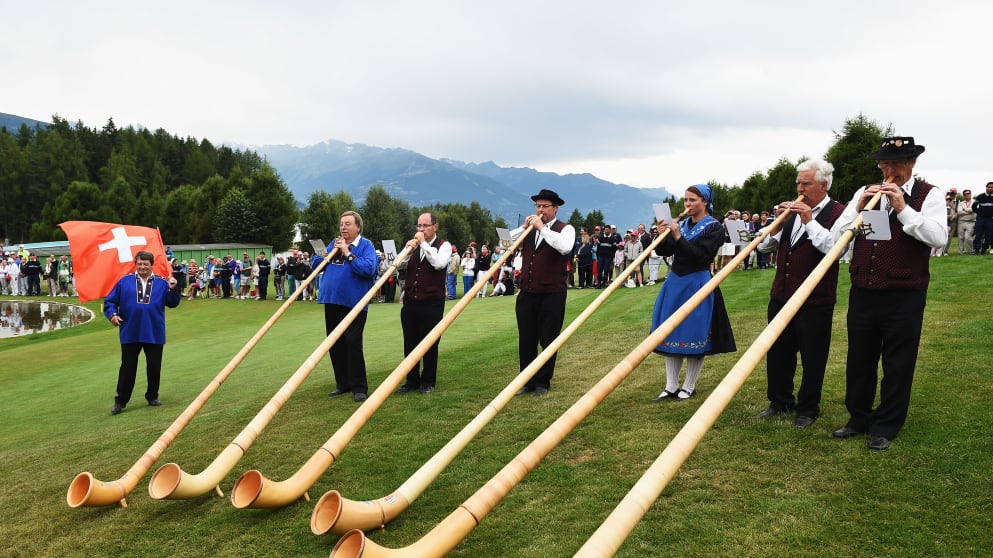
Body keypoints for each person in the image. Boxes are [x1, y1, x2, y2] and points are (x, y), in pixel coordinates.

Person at [829, 136, 947, 451]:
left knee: (898, 362)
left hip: (904, 293)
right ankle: (858, 418)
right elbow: (838, 238)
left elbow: (938, 238)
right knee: (859, 358)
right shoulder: (864, 192)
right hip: (864, 289)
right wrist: (857, 211)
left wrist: (903, 209)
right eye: (884, 164)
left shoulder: (930, 194)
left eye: (895, 164)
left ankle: (886, 424)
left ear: (912, 164)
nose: (888, 170)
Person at [755, 159, 846, 428]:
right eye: (798, 183)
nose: (799, 188)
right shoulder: (790, 212)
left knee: (812, 356)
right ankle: (780, 401)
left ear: (823, 185)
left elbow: (834, 249)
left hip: (815, 299)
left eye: (805, 183)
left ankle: (808, 408)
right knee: (778, 351)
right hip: (782, 294)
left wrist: (809, 220)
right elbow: (763, 248)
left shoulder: (839, 212)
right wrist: (777, 223)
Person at [650, 184, 736, 402]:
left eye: (693, 200)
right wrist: (663, 236)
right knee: (670, 330)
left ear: (705, 202)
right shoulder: (682, 224)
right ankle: (670, 386)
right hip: (675, 281)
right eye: (686, 200)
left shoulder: (714, 227)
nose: (687, 204)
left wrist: (678, 237)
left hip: (698, 282)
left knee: (694, 332)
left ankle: (689, 386)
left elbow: (701, 256)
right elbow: (665, 251)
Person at [512, 189, 576, 397]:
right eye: (538, 206)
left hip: (552, 294)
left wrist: (542, 228)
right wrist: (523, 228)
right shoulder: (529, 230)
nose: (540, 210)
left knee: (548, 339)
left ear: (555, 208)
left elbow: (564, 247)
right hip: (527, 292)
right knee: (526, 339)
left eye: (545, 206)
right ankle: (526, 380)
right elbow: (505, 243)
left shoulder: (565, 229)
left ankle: (543, 382)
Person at [103, 251, 182, 415]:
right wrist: (112, 315)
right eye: (139, 264)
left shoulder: (162, 283)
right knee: (127, 367)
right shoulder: (124, 281)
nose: (142, 267)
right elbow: (110, 301)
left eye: (146, 264)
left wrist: (174, 288)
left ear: (151, 265)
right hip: (130, 331)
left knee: (154, 367)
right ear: (135, 264)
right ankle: (121, 401)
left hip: (154, 331)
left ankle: (152, 396)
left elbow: (173, 303)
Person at [319, 211, 378, 402]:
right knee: (334, 343)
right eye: (341, 224)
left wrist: (347, 252)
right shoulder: (334, 243)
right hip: (332, 300)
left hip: (355, 303)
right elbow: (316, 264)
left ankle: (359, 387)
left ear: (358, 227)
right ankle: (342, 383)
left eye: (348, 224)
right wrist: (327, 253)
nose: (343, 227)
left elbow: (368, 269)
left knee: (352, 343)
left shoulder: (366, 245)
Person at [396, 212, 452, 394]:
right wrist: (407, 250)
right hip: (411, 302)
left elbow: (439, 264)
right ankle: (411, 381)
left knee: (429, 344)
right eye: (419, 226)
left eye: (425, 225)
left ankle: (428, 382)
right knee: (409, 343)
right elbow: (396, 265)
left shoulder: (444, 246)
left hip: (432, 303)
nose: (421, 229)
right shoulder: (415, 246)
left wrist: (424, 244)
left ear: (435, 226)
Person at [972, 181, 993, 254]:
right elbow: (974, 206)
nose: (990, 188)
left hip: (990, 219)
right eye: (989, 187)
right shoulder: (980, 196)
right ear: (986, 188)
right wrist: (979, 213)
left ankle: (984, 249)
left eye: (992, 187)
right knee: (978, 234)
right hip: (980, 218)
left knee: (989, 235)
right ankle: (976, 250)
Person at [956, 189, 975, 254]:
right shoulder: (961, 203)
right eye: (965, 194)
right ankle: (961, 251)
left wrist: (964, 209)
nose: (967, 195)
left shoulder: (975, 202)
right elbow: (959, 212)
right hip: (961, 222)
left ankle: (971, 251)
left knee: (967, 237)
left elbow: (974, 209)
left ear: (970, 194)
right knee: (960, 237)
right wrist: (969, 211)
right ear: (963, 195)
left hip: (971, 222)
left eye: (968, 193)